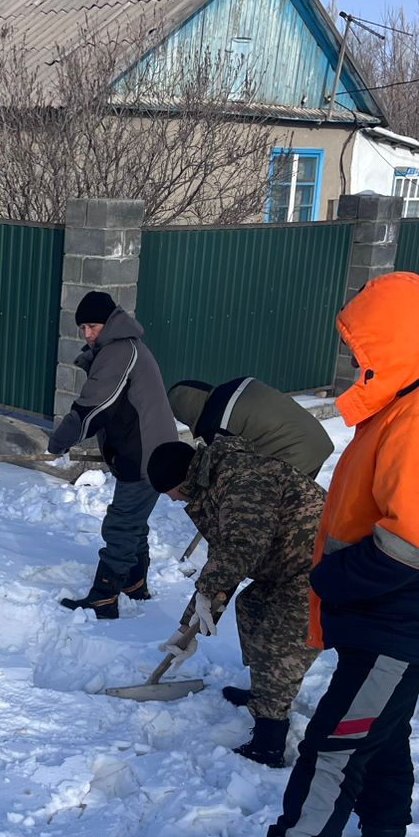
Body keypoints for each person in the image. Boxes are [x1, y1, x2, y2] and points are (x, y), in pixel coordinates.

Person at [163, 272, 419, 837]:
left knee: (333, 750)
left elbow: (412, 545)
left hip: (407, 613)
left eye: (362, 345)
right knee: (382, 737)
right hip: (404, 612)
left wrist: (329, 581)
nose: (354, 360)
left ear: (394, 340)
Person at [145, 430, 325, 767]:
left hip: (324, 566)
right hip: (290, 565)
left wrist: (210, 593)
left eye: (172, 493)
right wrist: (189, 622)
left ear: (184, 480)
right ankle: (263, 695)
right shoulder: (215, 481)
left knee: (281, 639)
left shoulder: (241, 478)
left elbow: (241, 546)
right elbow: (223, 556)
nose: (173, 501)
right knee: (252, 606)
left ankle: (270, 739)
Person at [48, 290, 176, 619]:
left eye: (92, 326)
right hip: (145, 448)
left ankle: (104, 598)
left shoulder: (120, 351)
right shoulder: (121, 347)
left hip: (146, 452)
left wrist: (60, 441)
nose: (87, 334)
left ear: (109, 323)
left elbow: (94, 406)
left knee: (121, 525)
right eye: (83, 328)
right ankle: (135, 583)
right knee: (134, 522)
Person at [167, 375, 333, 479]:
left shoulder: (215, 423)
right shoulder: (241, 383)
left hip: (294, 453)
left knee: (256, 501)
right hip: (317, 440)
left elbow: (229, 471)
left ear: (187, 415)